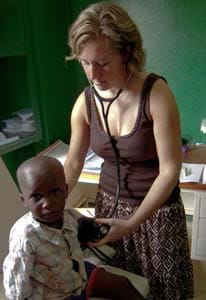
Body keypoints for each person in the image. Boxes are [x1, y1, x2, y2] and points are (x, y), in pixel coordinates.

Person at [64, 2, 194, 299]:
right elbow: (73, 163)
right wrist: (48, 203)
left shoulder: (155, 93)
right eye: (84, 63)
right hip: (108, 210)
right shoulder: (85, 102)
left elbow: (170, 170)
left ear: (127, 52)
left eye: (103, 62)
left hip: (158, 215)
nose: (93, 74)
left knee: (164, 291)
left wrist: (133, 223)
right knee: (121, 289)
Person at [3, 156, 144, 300]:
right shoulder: (24, 237)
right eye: (37, 196)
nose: (47, 203)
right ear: (24, 200)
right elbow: (17, 285)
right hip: (52, 294)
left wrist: (131, 219)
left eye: (55, 192)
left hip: (76, 275)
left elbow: (93, 228)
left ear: (65, 190)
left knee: (123, 286)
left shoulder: (69, 215)